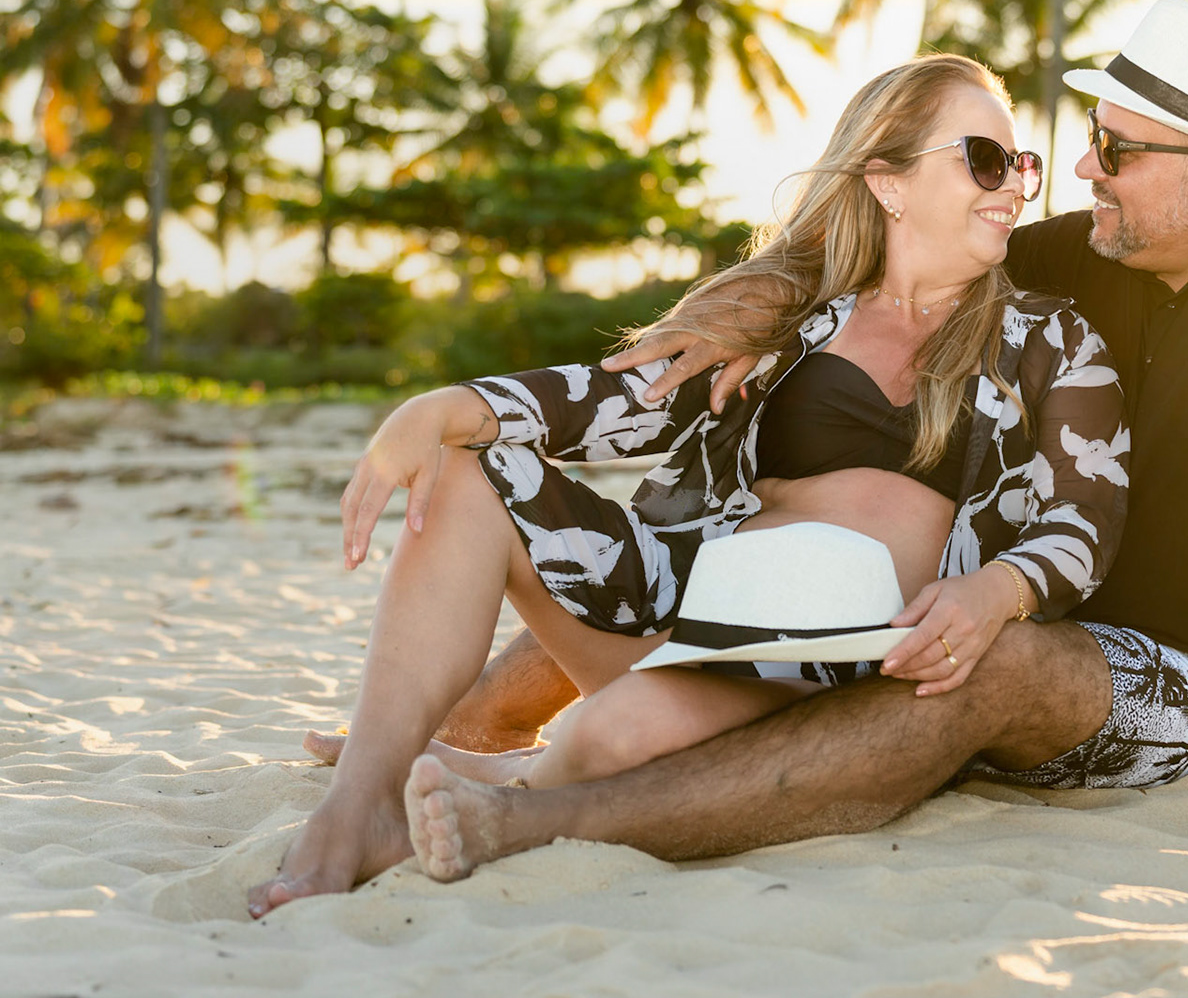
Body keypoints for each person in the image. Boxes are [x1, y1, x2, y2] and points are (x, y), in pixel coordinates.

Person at [394, 0, 1188, 886]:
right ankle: (477, 724)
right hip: (1016, 603)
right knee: (762, 540)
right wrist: (733, 314)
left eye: (1117, 150)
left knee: (989, 667)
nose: (1081, 171)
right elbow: (862, 252)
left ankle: (545, 823)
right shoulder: (1105, 242)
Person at [245, 54, 1131, 917]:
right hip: (689, 619)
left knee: (606, 739)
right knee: (471, 471)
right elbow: (616, 401)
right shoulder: (788, 321)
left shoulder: (1047, 339)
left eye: (1023, 162)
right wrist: (447, 408)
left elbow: (1084, 520)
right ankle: (357, 804)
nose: (1015, 182)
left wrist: (997, 588)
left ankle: (493, 779)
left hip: (825, 667)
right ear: (888, 181)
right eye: (983, 158)